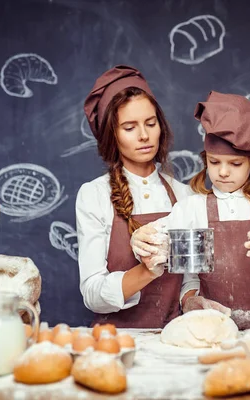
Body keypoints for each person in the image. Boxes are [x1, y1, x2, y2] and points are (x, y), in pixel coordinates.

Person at [132, 91, 250, 329]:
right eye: (214, 162)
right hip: (212, 324)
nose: (222, 172)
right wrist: (142, 240)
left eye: (235, 164)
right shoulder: (193, 208)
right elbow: (164, 253)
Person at [76, 65, 194, 328]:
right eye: (129, 127)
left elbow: (190, 277)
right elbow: (92, 294)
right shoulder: (93, 195)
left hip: (173, 338)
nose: (144, 135)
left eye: (151, 124)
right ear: (112, 135)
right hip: (115, 342)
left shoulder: (184, 194)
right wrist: (147, 270)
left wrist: (192, 299)